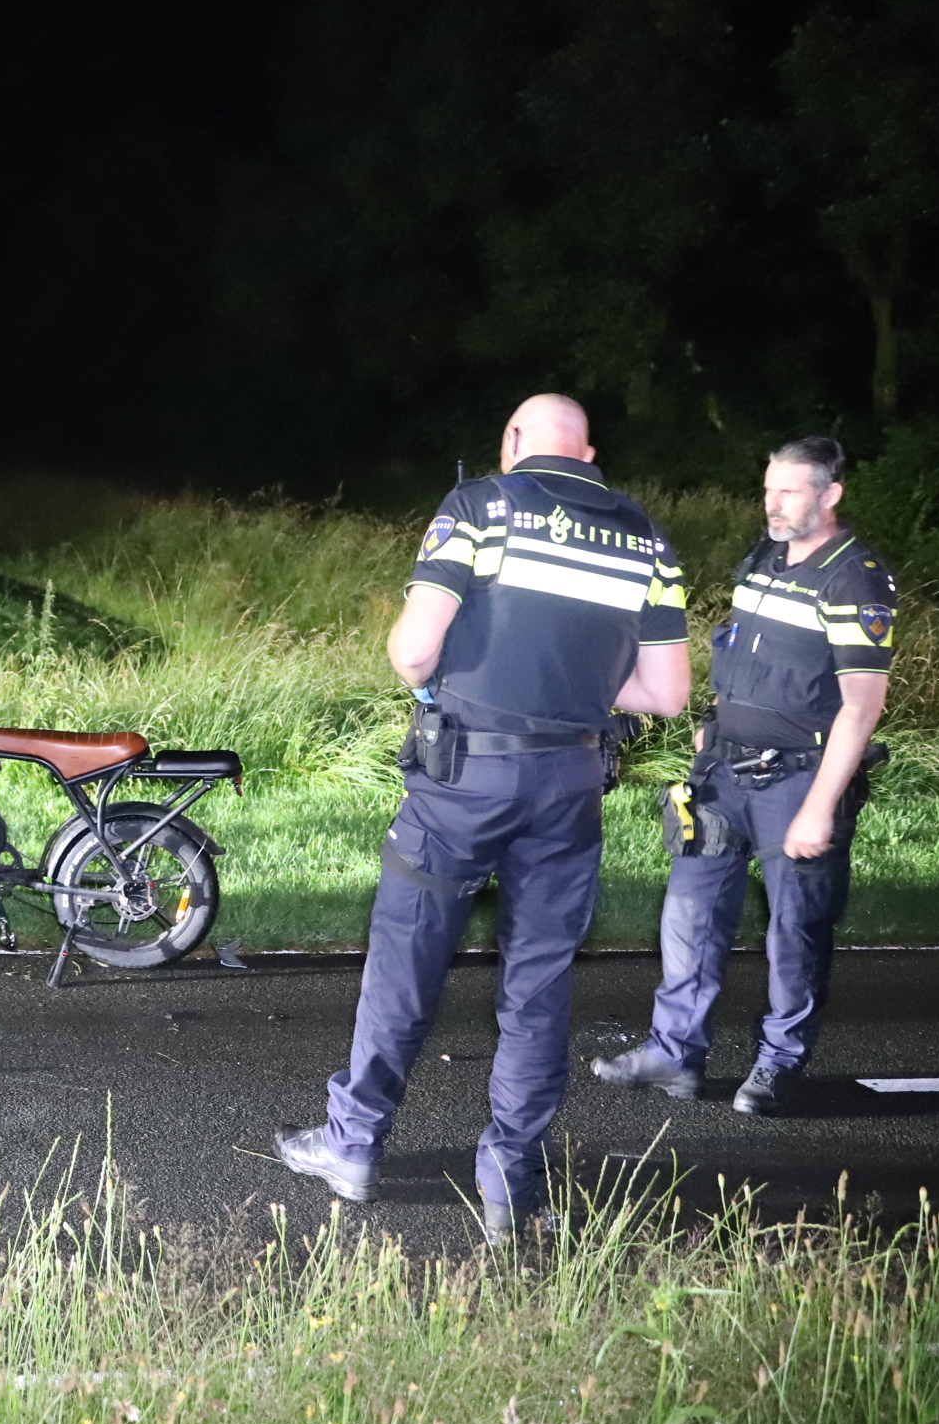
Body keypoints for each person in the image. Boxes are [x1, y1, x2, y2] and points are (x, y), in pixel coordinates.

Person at [274, 394, 692, 1239]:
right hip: (571, 783)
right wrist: (567, 694)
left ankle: (354, 1145)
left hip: (464, 779)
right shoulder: (646, 537)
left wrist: (458, 679)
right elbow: (667, 694)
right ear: (588, 453)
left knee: (406, 961)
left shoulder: (480, 506)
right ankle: (509, 1177)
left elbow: (411, 650)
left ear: (513, 442)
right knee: (537, 984)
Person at [592, 436, 893, 1116]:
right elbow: (738, 656)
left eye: (789, 491)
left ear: (830, 495)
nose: (773, 504)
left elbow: (862, 707)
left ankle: (778, 1066)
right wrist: (709, 722)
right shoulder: (762, 559)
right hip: (724, 772)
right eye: (767, 490)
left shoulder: (857, 578)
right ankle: (675, 1056)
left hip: (800, 780)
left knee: (797, 929)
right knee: (690, 914)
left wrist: (820, 807)